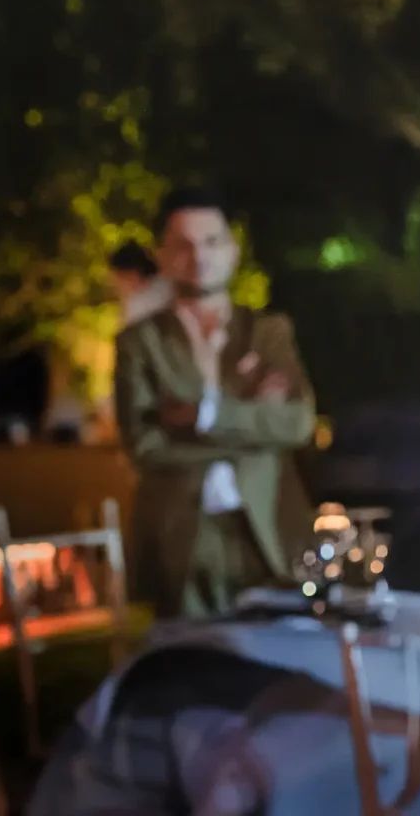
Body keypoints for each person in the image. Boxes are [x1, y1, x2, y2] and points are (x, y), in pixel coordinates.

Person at [114, 187, 315, 618]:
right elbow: (143, 445)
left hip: (268, 530)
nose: (199, 256)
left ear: (232, 249)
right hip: (182, 538)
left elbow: (297, 422)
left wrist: (203, 417)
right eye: (183, 245)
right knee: (191, 670)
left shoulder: (267, 332)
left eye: (211, 241)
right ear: (162, 254)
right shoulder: (139, 343)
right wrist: (255, 426)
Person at [108, 240, 172, 327]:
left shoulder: (140, 304)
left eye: (119, 278)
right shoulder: (167, 285)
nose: (116, 284)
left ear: (132, 275)